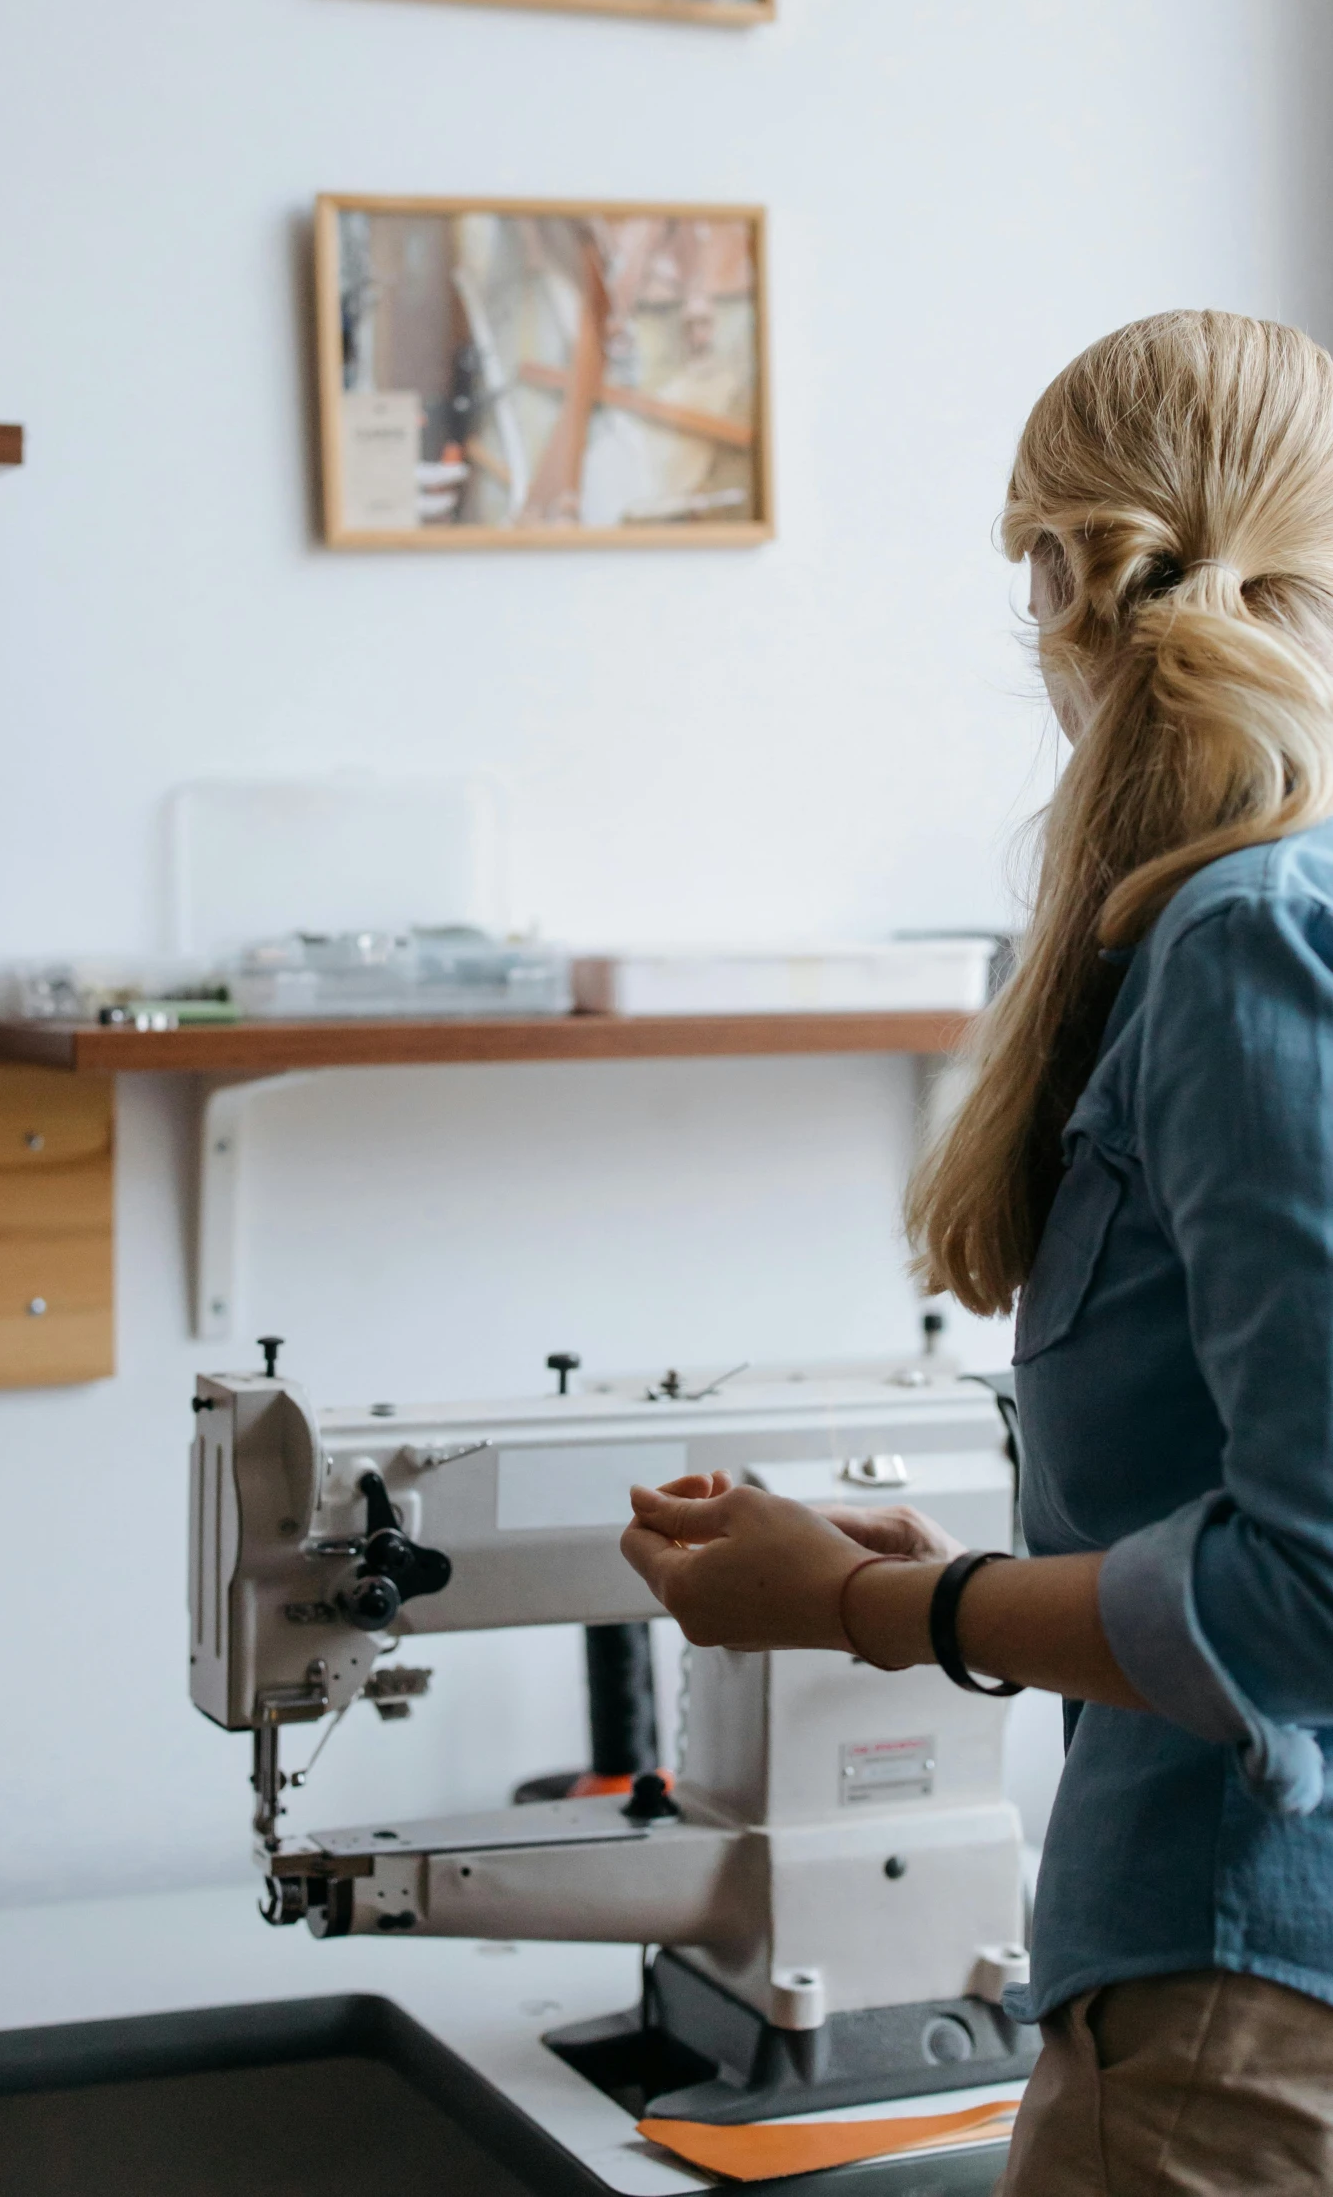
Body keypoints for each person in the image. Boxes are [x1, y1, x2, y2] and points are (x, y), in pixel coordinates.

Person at [621, 310, 1333, 2193]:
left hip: (1236, 2012)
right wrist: (1010, 1582)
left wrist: (876, 1612)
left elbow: (1310, 1595)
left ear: (1053, 580)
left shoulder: (1244, 940)